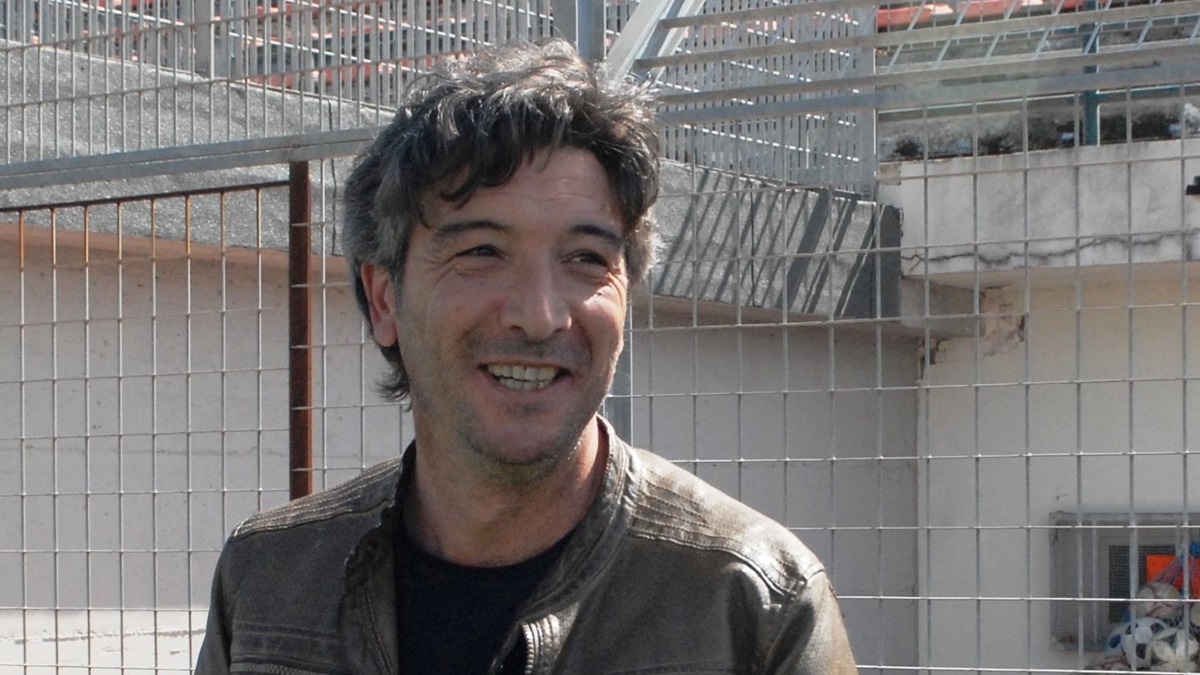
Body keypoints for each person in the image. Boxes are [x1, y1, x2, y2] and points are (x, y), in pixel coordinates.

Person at [194, 38, 857, 675]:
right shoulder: (267, 582)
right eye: (481, 252)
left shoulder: (756, 605)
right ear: (383, 297)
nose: (540, 316)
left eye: (586, 259)